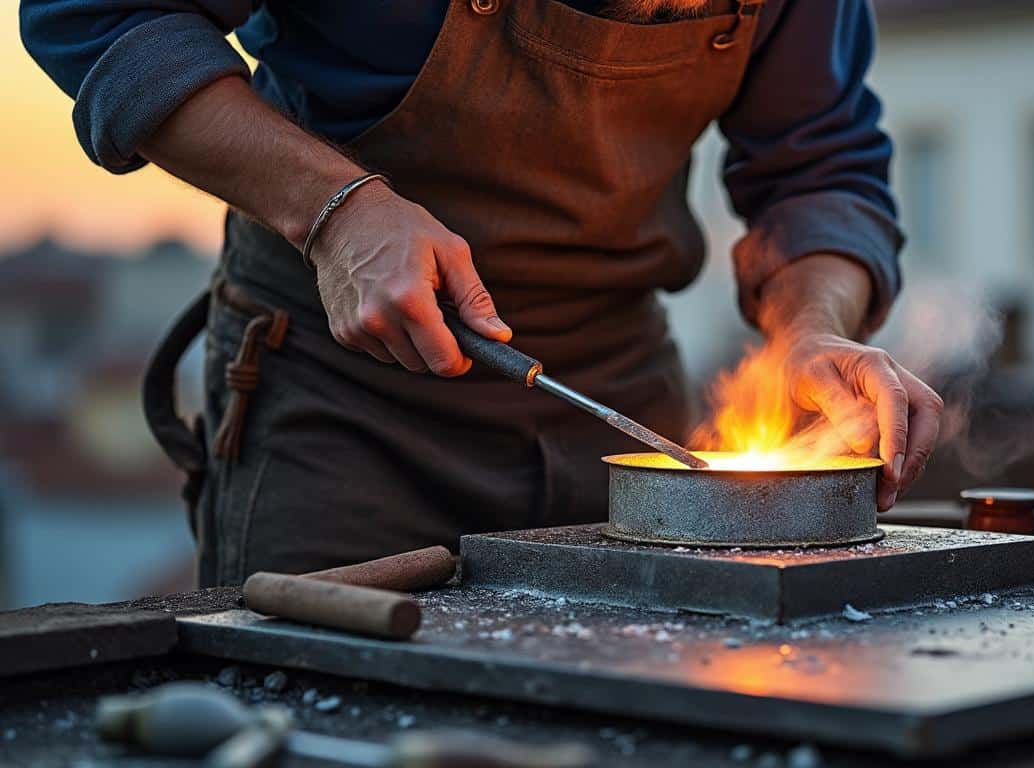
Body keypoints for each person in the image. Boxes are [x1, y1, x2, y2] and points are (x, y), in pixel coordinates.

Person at [20, 0, 944, 585]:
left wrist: (812, 327)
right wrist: (334, 209)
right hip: (342, 408)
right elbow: (98, 13)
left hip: (619, 409)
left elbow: (819, 167)